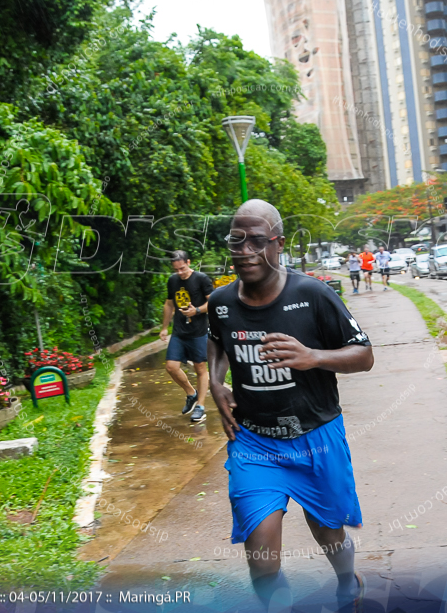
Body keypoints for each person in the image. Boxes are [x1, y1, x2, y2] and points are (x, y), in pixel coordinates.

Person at [207, 199, 374, 611]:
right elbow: (215, 340)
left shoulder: (312, 293)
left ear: (278, 244)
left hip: (316, 436)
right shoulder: (221, 302)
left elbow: (364, 354)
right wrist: (215, 381)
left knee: (330, 536)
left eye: (257, 241)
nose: (245, 250)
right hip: (255, 443)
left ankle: (346, 580)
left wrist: (313, 356)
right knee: (261, 557)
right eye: (236, 240)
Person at [159, 250, 215, 423]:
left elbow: (213, 301)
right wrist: (164, 327)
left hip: (198, 331)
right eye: (176, 269)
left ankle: (200, 407)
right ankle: (191, 394)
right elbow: (169, 304)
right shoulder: (173, 281)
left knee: (200, 369)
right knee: (171, 367)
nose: (179, 273)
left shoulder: (201, 279)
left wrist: (197, 310)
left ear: (189, 262)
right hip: (179, 331)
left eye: (182, 268)